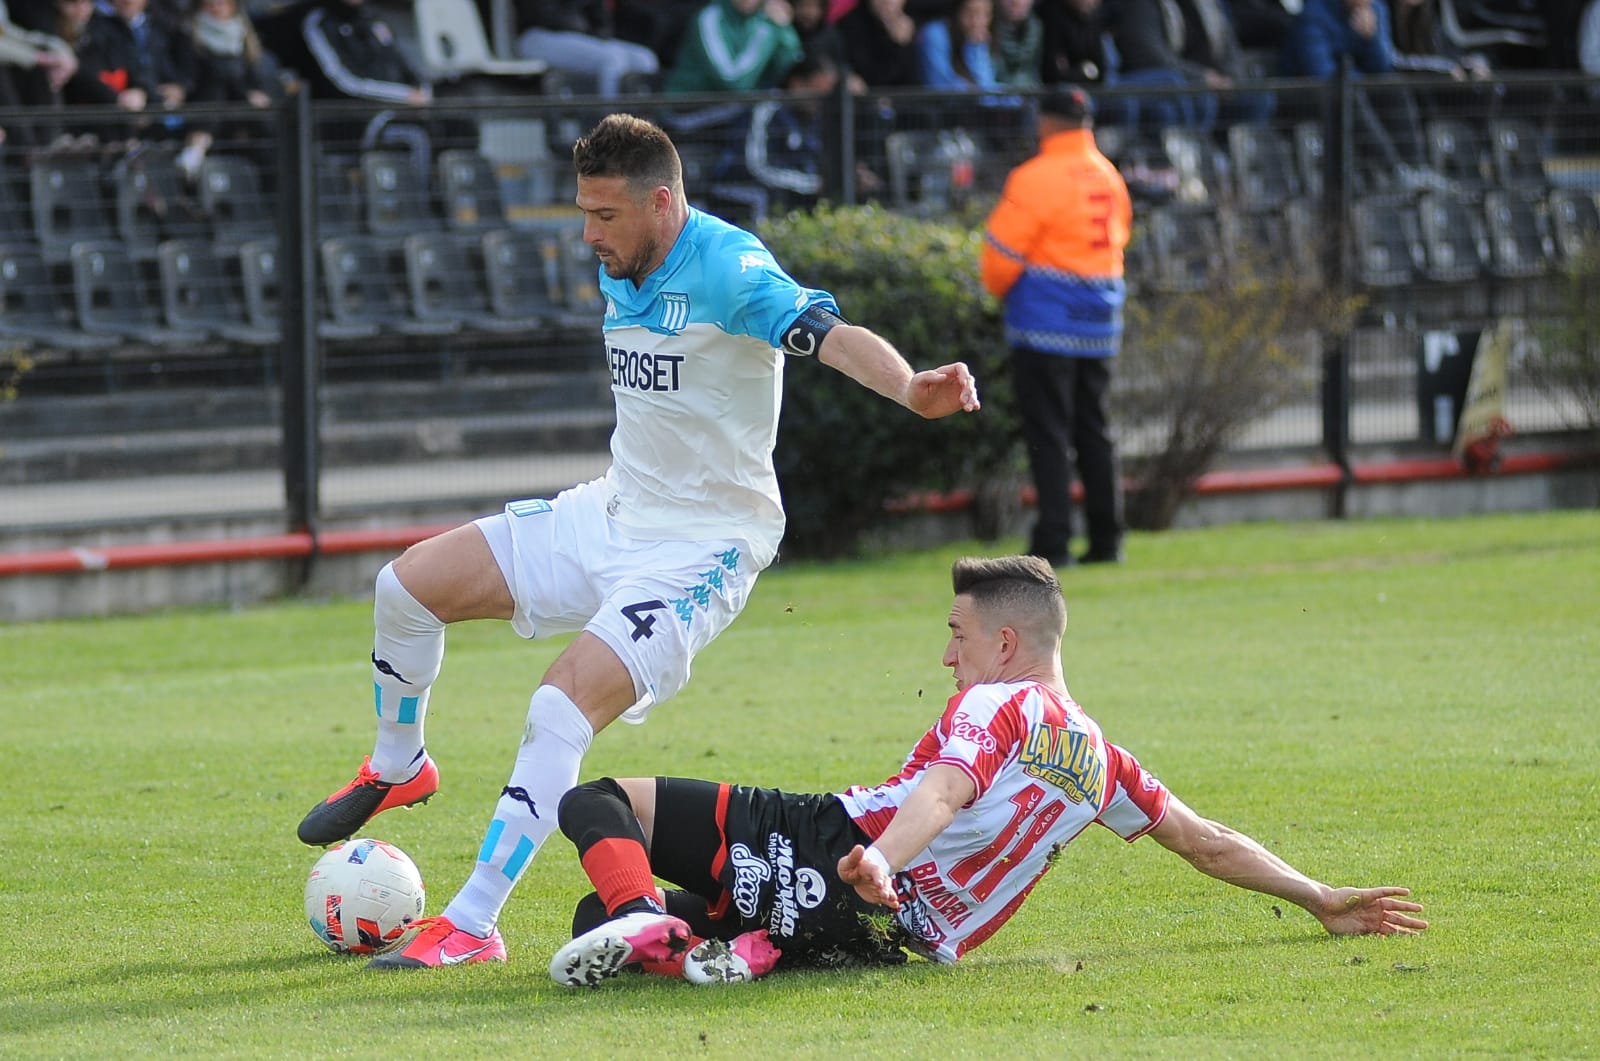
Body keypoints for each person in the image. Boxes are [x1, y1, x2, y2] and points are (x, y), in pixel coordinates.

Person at [295, 112, 982, 970]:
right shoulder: (625, 254)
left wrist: (912, 386)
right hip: (614, 510)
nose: (588, 235)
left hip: (707, 546)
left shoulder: (731, 269)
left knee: (557, 708)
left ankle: (473, 922)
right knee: (405, 587)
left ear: (662, 202)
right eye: (582, 212)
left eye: (606, 216)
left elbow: (828, 335)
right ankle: (400, 764)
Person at [546, 554, 1429, 987]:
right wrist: (1320, 896)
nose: (947, 655)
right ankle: (733, 943)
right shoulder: (1102, 762)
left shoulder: (999, 704)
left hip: (840, 847)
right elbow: (1206, 843)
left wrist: (882, 856)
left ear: (1005, 642)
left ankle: (648, 925)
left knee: (598, 799)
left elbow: (941, 789)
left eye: (958, 634)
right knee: (586, 916)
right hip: (899, 942)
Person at [980, 85, 1129, 568]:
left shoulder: (1035, 177)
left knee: (1049, 433)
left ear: (1045, 122)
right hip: (1100, 321)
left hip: (1044, 322)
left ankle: (1054, 539)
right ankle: (1108, 539)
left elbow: (1001, 258)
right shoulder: (1110, 175)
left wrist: (998, 291)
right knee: (1095, 429)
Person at [512, 0, 660, 97]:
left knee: (645, 59)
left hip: (580, 35)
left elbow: (599, 16)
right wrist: (583, 31)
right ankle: (609, 132)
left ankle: (642, 129)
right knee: (611, 59)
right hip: (536, 35)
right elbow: (541, 14)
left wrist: (599, 31)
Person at [661, 0, 803, 94]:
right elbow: (733, 82)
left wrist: (784, 28)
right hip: (687, 109)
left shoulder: (763, 21)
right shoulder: (709, 18)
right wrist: (766, 34)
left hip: (734, 111)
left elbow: (792, 64)